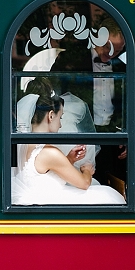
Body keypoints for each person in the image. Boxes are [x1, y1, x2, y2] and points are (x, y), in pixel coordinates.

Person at [12, 79, 125, 205]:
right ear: (50, 116)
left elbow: (44, 171)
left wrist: (69, 159)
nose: (60, 125)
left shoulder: (26, 143)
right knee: (108, 196)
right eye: (60, 117)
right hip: (48, 200)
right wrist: (87, 170)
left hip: (39, 196)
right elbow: (84, 183)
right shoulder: (49, 152)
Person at [50, 15, 127, 182]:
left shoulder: (123, 68)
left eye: (118, 50)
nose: (111, 53)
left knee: (112, 184)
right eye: (108, 46)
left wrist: (127, 133)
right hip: (79, 137)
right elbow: (52, 91)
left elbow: (127, 104)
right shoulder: (72, 59)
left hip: (112, 139)